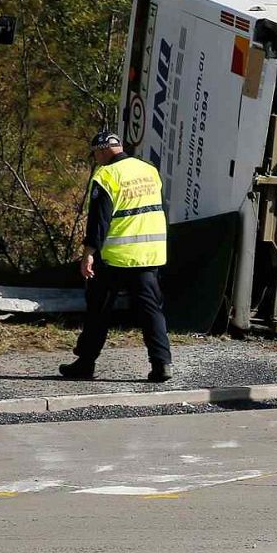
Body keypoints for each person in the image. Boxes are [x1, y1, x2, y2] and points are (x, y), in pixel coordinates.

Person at [59, 131, 172, 382]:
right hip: (150, 254)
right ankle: (162, 364)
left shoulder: (106, 175)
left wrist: (88, 252)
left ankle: (85, 363)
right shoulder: (148, 170)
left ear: (101, 151)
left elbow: (99, 221)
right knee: (151, 310)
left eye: (95, 154)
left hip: (116, 257)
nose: (96, 159)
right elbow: (160, 208)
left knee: (99, 310)